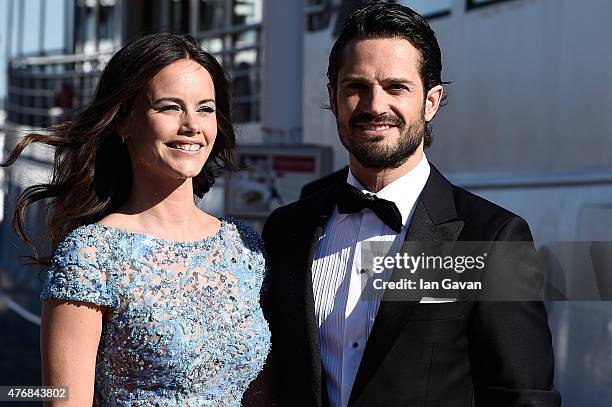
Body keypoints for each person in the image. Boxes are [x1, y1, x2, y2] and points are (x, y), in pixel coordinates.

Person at [262, 3, 560, 407]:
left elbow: (523, 396)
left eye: (395, 87)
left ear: (431, 101)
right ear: (332, 98)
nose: (374, 106)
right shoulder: (287, 230)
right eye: (356, 87)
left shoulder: (491, 238)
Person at [2, 33, 270, 406]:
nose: (192, 125)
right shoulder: (90, 255)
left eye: (206, 108)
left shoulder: (245, 247)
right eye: (169, 107)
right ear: (124, 122)